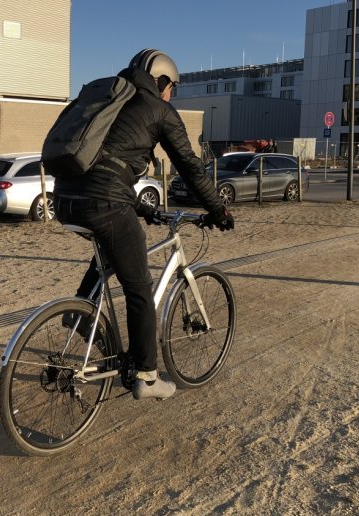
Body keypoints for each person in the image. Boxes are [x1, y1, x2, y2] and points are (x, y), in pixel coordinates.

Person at [52, 49, 234, 400]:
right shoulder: (158, 109)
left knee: (109, 247)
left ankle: (80, 313)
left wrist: (140, 206)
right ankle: (147, 377)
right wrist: (218, 210)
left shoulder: (112, 100)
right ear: (162, 81)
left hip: (65, 198)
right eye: (172, 88)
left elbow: (104, 165)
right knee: (139, 288)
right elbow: (190, 166)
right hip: (103, 201)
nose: (171, 95)